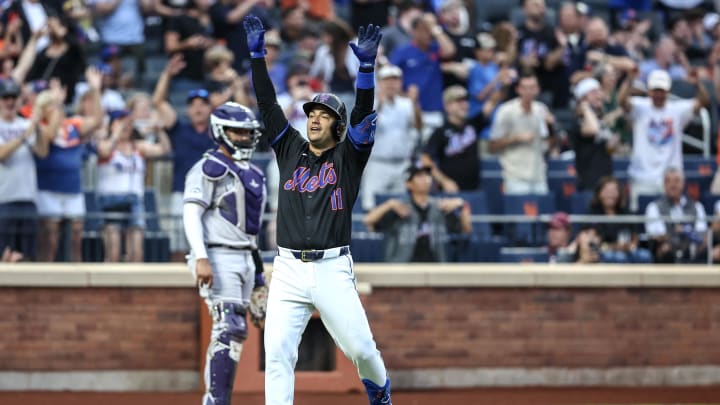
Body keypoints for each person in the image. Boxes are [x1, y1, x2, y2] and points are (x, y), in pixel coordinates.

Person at [244, 14, 393, 405]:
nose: (314, 118)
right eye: (311, 113)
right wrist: (257, 58)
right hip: (289, 269)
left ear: (337, 126)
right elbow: (266, 103)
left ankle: (379, 390)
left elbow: (362, 114)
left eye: (323, 115)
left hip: (331, 268)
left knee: (362, 350)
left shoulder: (349, 157)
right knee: (276, 353)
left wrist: (365, 69)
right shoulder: (289, 148)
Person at [183, 102, 268, 405]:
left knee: (238, 332)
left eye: (247, 132)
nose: (243, 137)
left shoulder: (255, 172)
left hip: (246, 257)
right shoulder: (208, 168)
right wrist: (200, 256)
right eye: (236, 131)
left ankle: (219, 399)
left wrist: (259, 275)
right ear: (220, 132)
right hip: (218, 255)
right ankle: (215, 401)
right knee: (229, 326)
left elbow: (251, 232)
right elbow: (191, 213)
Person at [618, 68, 710, 211]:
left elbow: (703, 102)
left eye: (662, 90)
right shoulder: (640, 106)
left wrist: (697, 84)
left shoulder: (677, 110)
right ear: (649, 90)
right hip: (642, 176)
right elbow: (622, 101)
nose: (659, 94)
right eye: (655, 90)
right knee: (639, 219)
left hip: (670, 178)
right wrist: (629, 80)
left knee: (671, 219)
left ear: (668, 91)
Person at [94, 109, 172, 262]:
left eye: (128, 123)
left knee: (136, 252)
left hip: (135, 200)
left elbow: (164, 150)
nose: (125, 126)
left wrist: (160, 132)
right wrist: (115, 134)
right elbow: (104, 152)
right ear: (111, 125)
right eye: (120, 122)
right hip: (110, 199)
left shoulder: (138, 147)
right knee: (113, 252)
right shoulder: (106, 144)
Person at [363, 164, 471, 262]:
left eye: (427, 175)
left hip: (437, 268)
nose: (426, 179)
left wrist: (462, 205)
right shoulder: (400, 208)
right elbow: (368, 221)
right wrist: (389, 204)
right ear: (408, 184)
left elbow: (466, 230)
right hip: (402, 270)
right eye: (420, 176)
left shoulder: (441, 206)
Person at [0, 78, 51, 261]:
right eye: (5, 97)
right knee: (4, 255)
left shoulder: (24, 124)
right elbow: (2, 155)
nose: (10, 102)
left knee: (27, 256)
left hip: (28, 197)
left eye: (13, 97)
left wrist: (37, 128)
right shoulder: (18, 128)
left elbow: (43, 152)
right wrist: (26, 134)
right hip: (4, 199)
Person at [645, 167, 708, 263]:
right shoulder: (654, 207)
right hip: (667, 252)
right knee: (664, 249)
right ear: (664, 185)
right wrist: (676, 232)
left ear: (683, 184)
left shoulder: (697, 206)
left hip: (692, 249)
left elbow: (702, 233)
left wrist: (686, 231)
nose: (672, 185)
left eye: (676, 181)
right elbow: (656, 235)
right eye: (668, 181)